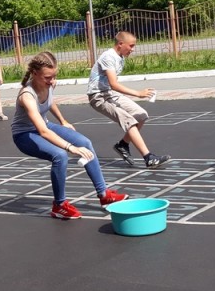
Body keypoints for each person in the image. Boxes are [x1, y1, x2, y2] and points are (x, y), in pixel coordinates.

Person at [12, 51, 129, 220]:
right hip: (24, 135)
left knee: (85, 143)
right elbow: (43, 131)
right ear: (35, 73)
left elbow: (50, 101)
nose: (52, 81)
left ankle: (104, 195)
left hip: (44, 125)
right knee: (60, 155)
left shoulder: (50, 84)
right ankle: (59, 205)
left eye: (54, 76)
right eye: (47, 77)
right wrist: (70, 148)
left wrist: (63, 120)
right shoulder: (27, 96)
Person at [87, 31, 170, 168]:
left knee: (141, 115)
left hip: (109, 93)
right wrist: (138, 93)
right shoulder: (108, 57)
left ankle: (123, 145)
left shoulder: (120, 57)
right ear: (120, 44)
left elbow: (112, 86)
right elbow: (114, 84)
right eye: (131, 46)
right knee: (129, 121)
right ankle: (148, 158)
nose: (133, 49)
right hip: (98, 97)